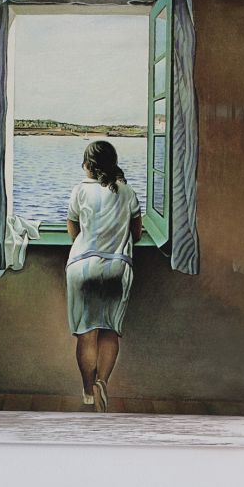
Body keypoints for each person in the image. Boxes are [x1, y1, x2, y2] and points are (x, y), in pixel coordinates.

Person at [63, 140, 142, 410]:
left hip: (82, 268)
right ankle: (102, 383)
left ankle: (87, 391)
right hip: (117, 270)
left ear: (88, 165)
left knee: (87, 334)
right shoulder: (128, 192)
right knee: (109, 332)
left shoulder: (79, 191)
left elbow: (73, 231)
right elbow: (136, 234)